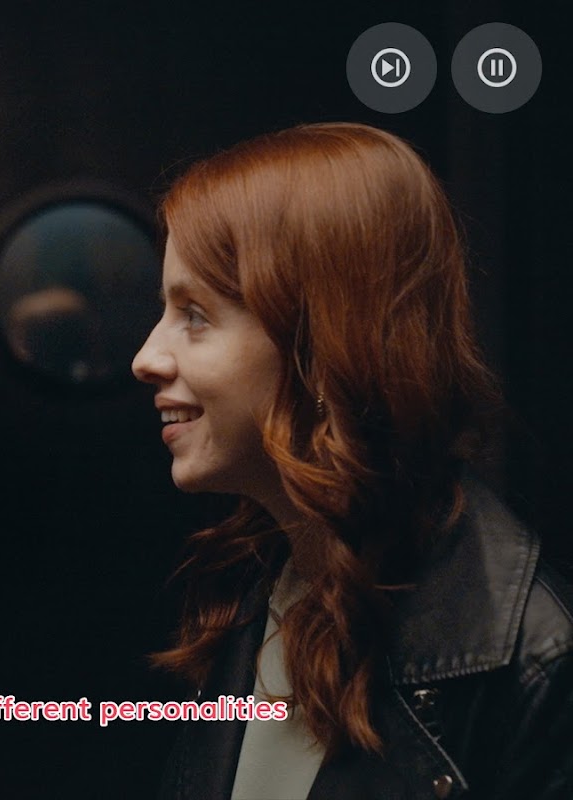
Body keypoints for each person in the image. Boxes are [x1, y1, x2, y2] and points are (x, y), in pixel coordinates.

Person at [132, 123, 571, 799]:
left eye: (195, 314)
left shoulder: (538, 665)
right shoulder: (260, 584)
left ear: (320, 342)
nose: (146, 358)